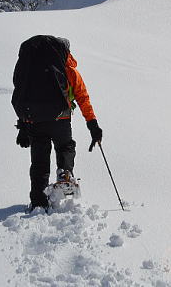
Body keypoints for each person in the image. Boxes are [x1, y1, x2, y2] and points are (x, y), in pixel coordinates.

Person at [11, 35, 103, 211]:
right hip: (61, 119)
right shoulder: (67, 69)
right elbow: (82, 97)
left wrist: (23, 125)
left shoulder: (29, 68)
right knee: (65, 146)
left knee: (39, 162)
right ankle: (65, 175)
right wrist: (93, 125)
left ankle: (39, 202)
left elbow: (21, 94)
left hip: (34, 121)